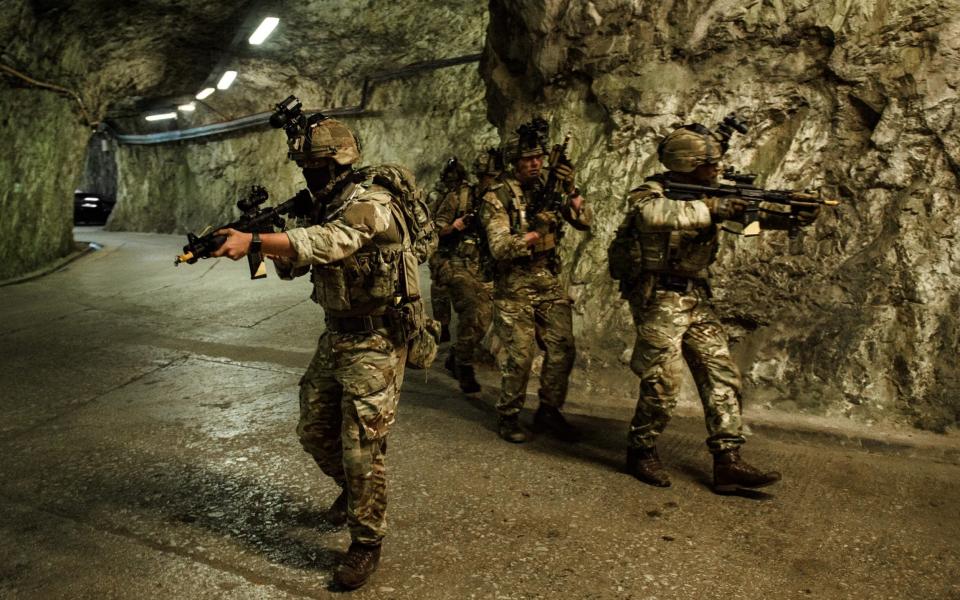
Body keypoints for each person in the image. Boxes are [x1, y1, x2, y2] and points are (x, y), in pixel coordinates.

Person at [211, 115, 431, 589]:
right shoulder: (322, 207)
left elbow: (332, 243)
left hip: (377, 340)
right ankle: (354, 493)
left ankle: (366, 542)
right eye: (304, 167)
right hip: (337, 336)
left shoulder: (373, 202)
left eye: (316, 166)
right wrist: (263, 241)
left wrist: (257, 240)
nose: (310, 176)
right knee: (313, 429)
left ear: (340, 161)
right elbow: (298, 266)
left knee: (361, 447)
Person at [610, 123, 819, 492]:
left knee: (721, 374)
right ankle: (640, 450)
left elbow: (748, 214)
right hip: (659, 298)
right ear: (687, 165)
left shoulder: (712, 193)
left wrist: (792, 216)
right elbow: (653, 216)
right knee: (663, 382)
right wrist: (714, 207)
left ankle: (728, 461)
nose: (717, 170)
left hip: (696, 298)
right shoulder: (651, 193)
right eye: (709, 164)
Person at [478, 119, 591, 443]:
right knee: (521, 354)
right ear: (514, 162)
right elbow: (499, 248)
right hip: (513, 281)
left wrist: (571, 193)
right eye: (528, 159)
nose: (535, 164)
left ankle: (549, 411)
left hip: (545, 275)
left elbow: (584, 221)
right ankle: (509, 414)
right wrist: (534, 233)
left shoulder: (549, 185)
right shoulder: (496, 196)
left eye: (539, 157)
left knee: (562, 347)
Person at [431, 149, 501, 393]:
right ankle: (464, 365)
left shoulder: (499, 201)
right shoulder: (459, 197)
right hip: (455, 261)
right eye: (487, 178)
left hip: (482, 266)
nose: (491, 183)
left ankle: (457, 354)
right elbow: (434, 230)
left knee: (484, 317)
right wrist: (455, 226)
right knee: (472, 309)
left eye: (495, 177)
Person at [427, 158, 468, 345]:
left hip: (461, 251)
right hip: (442, 249)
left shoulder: (466, 194)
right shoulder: (438, 196)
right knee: (440, 289)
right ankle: (443, 326)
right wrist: (453, 227)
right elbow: (434, 227)